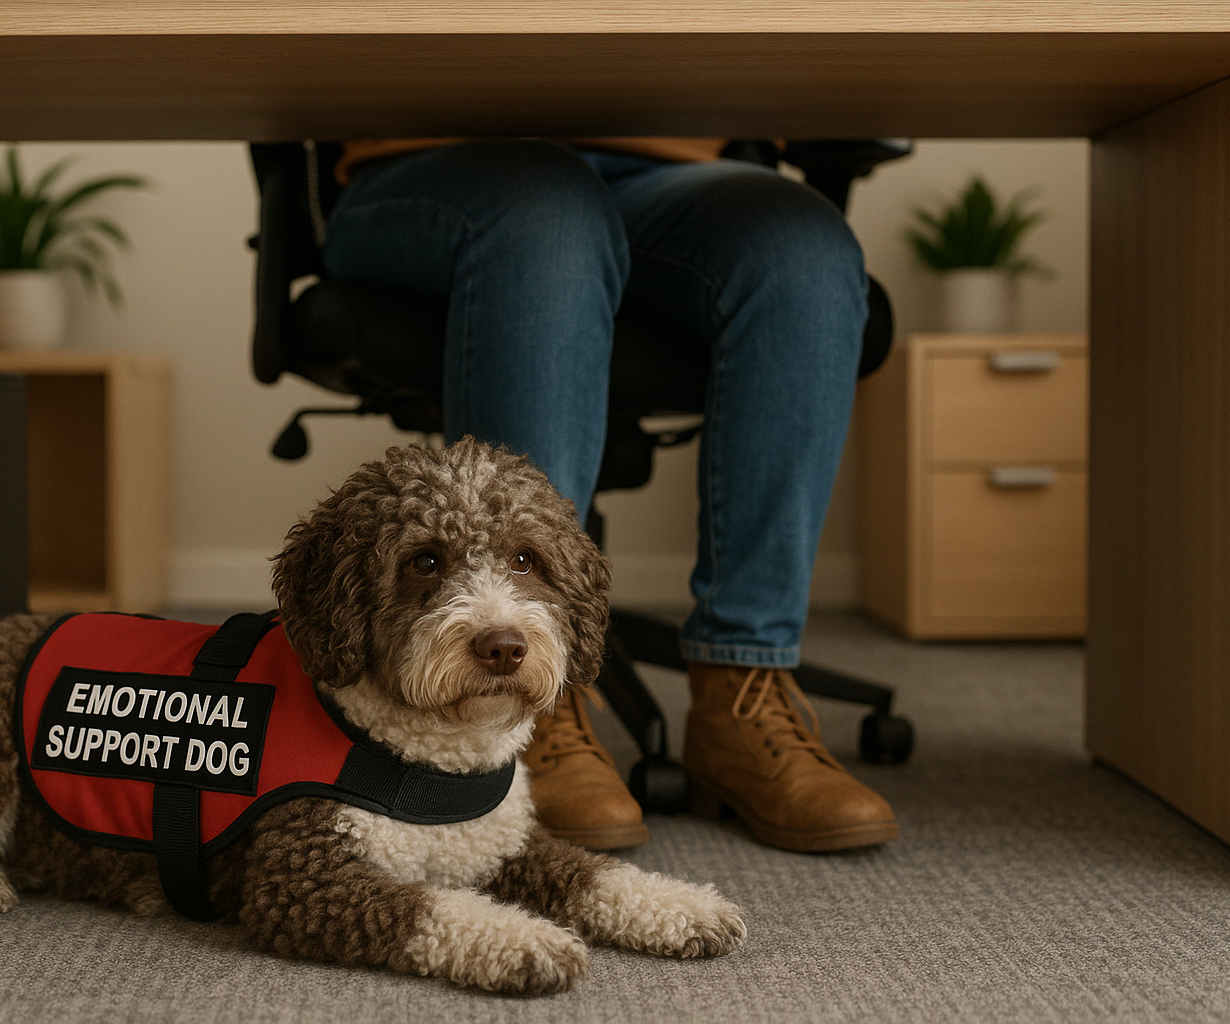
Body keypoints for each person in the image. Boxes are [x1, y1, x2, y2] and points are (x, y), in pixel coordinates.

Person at [321, 137, 898, 853]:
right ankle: (536, 702)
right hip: (434, 168)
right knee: (549, 207)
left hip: (662, 170)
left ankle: (743, 690)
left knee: (802, 242)